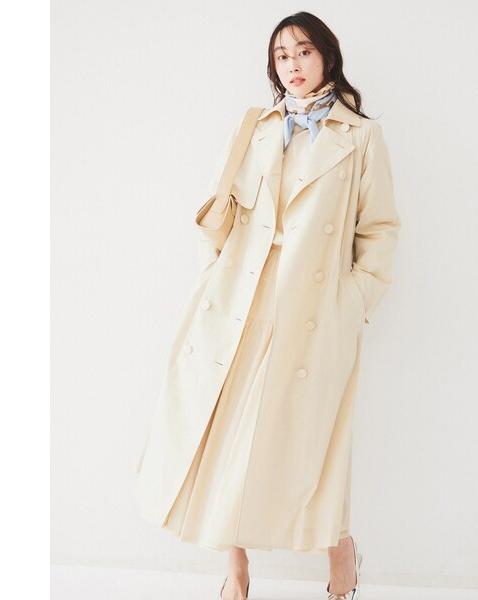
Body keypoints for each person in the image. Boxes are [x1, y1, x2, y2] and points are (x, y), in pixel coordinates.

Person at [135, 11, 401, 600]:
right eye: (282, 56)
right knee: (221, 431)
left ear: (328, 57)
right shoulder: (255, 126)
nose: (293, 65)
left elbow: (379, 229)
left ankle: (340, 549)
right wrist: (214, 271)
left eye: (304, 52)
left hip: (313, 307)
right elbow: (223, 211)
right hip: (242, 295)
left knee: (314, 443)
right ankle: (236, 570)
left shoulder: (360, 136)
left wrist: (352, 301)